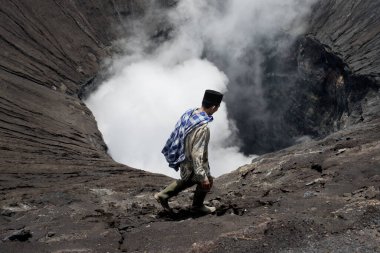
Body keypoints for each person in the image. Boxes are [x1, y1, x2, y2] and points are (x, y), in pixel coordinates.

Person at [155, 89, 223, 214]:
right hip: (192, 161)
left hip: (183, 156)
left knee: (188, 180)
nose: (217, 109)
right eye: (217, 107)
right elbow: (197, 153)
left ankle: (163, 195)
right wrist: (202, 176)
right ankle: (197, 206)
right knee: (207, 180)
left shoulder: (190, 113)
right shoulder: (202, 127)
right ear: (213, 107)